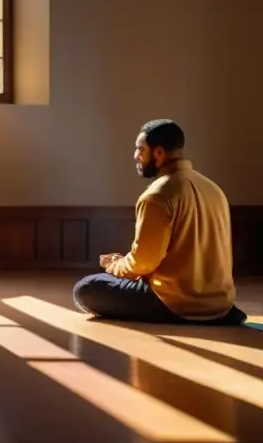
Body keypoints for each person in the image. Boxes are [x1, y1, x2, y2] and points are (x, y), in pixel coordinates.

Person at [73, 119, 246, 325]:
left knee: (86, 288)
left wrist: (114, 266)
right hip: (220, 304)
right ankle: (211, 313)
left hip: (172, 302)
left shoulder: (157, 195)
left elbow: (143, 263)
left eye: (140, 149)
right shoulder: (213, 189)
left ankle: (184, 315)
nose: (135, 156)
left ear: (158, 153)